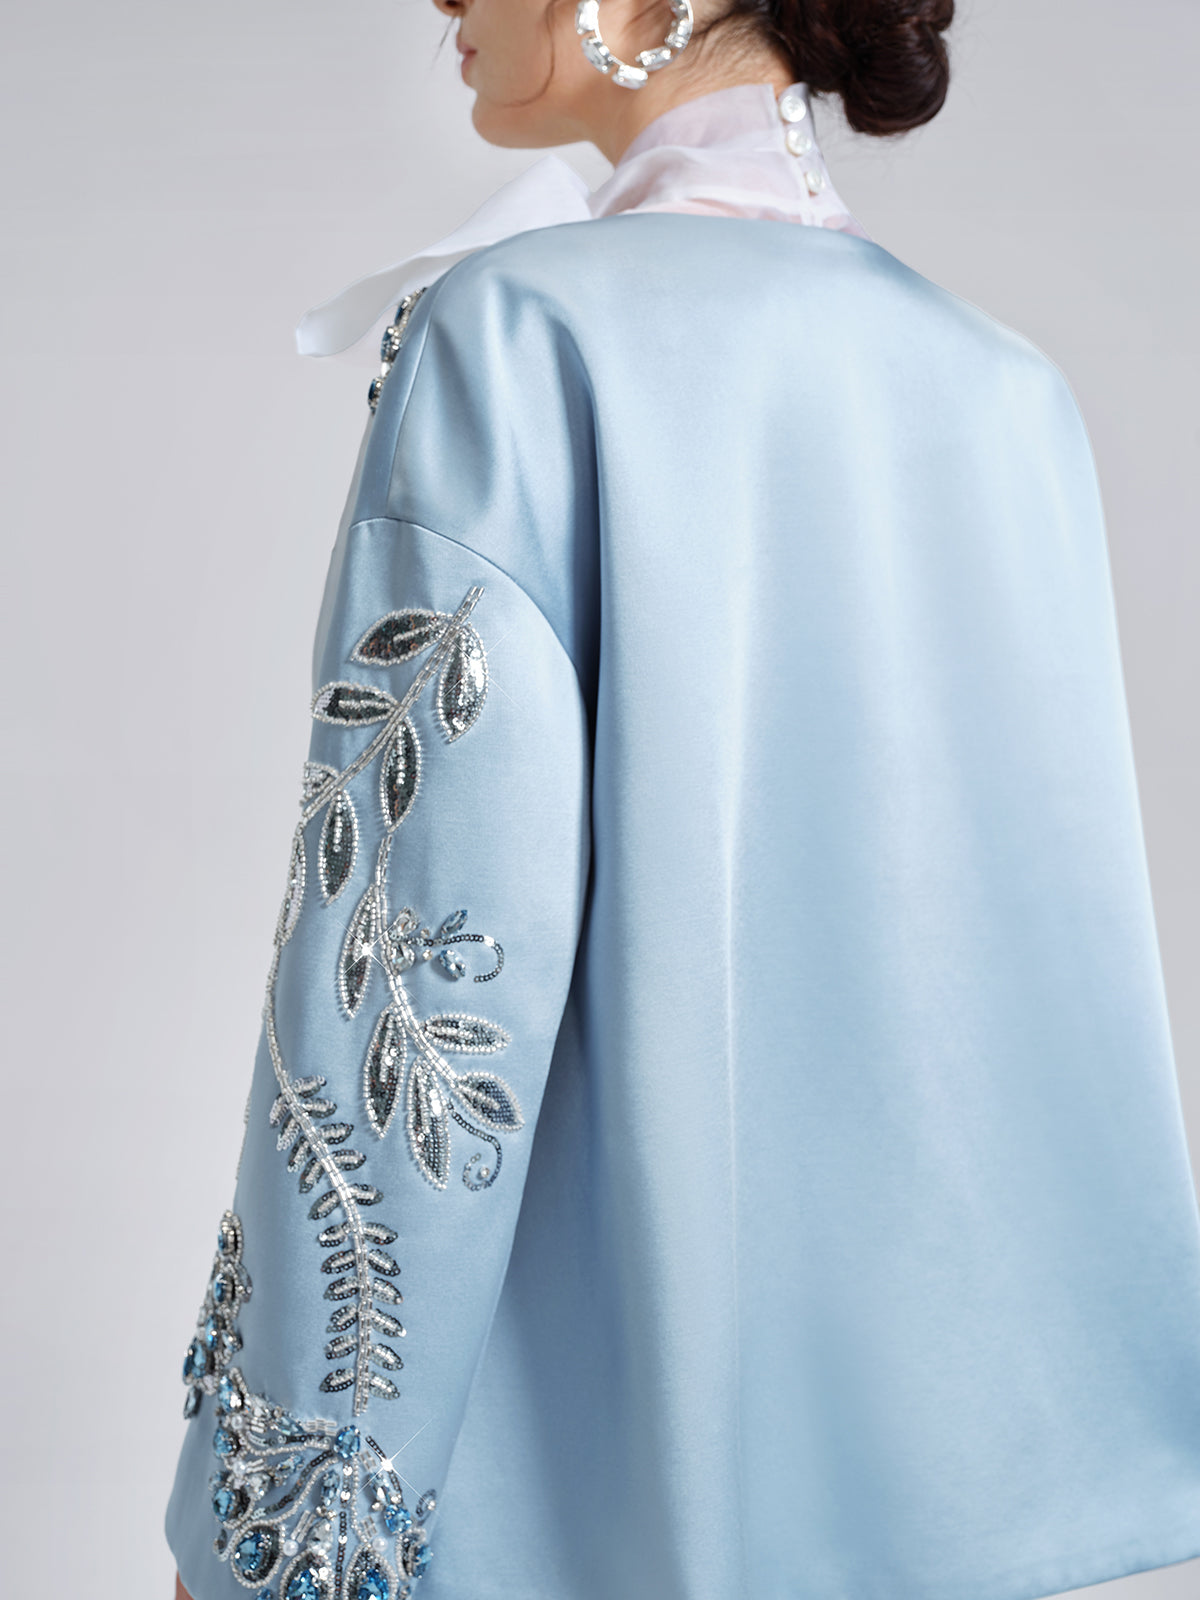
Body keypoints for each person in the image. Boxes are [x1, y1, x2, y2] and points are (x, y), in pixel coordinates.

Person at [164, 0, 1200, 1596]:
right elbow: (1054, 980)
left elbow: (413, 971)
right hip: (969, 1512)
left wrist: (283, 1513)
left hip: (591, 1517)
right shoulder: (1008, 391)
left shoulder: (517, 336)